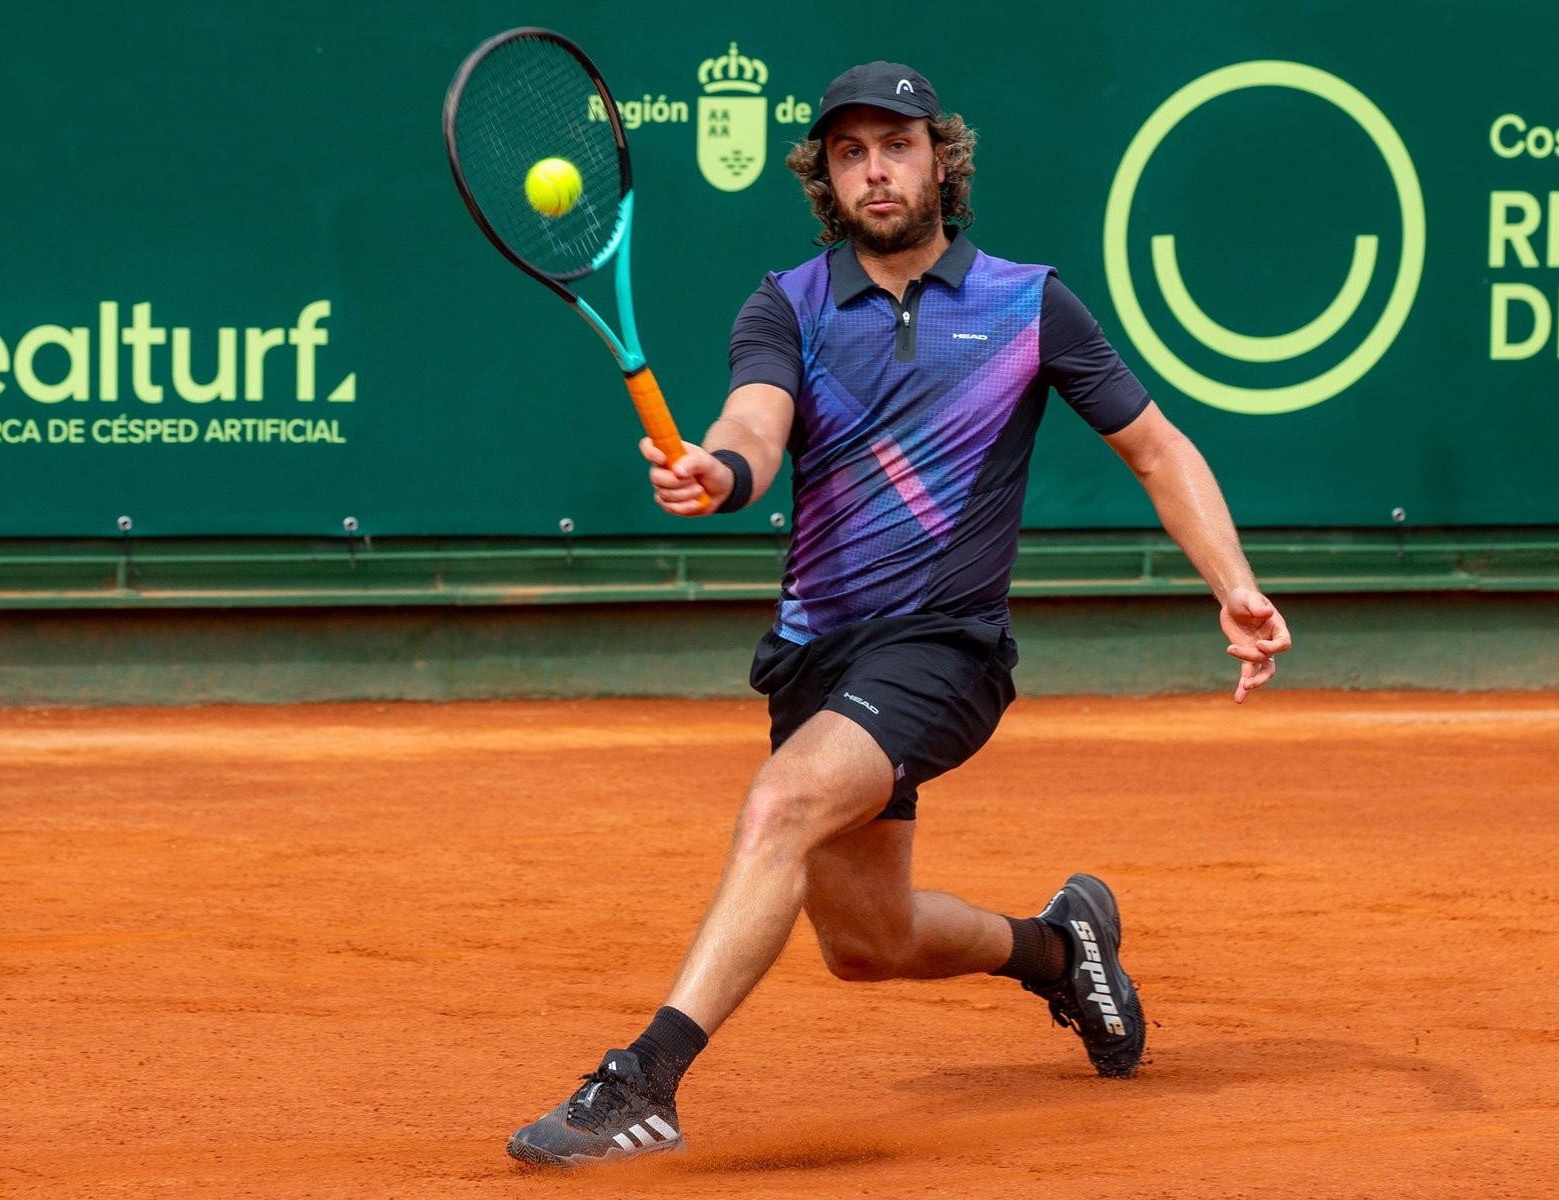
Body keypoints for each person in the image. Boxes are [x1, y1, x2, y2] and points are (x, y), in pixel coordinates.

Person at [506, 60, 1291, 1168]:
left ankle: (641, 1082)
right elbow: (753, 425)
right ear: (826, 178)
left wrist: (1234, 583)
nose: (875, 170)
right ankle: (1059, 949)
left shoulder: (1029, 302)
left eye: (897, 146)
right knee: (868, 943)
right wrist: (718, 473)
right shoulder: (787, 303)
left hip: (946, 650)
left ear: (940, 159)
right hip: (817, 657)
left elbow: (1156, 449)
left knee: (779, 805)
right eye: (849, 153)